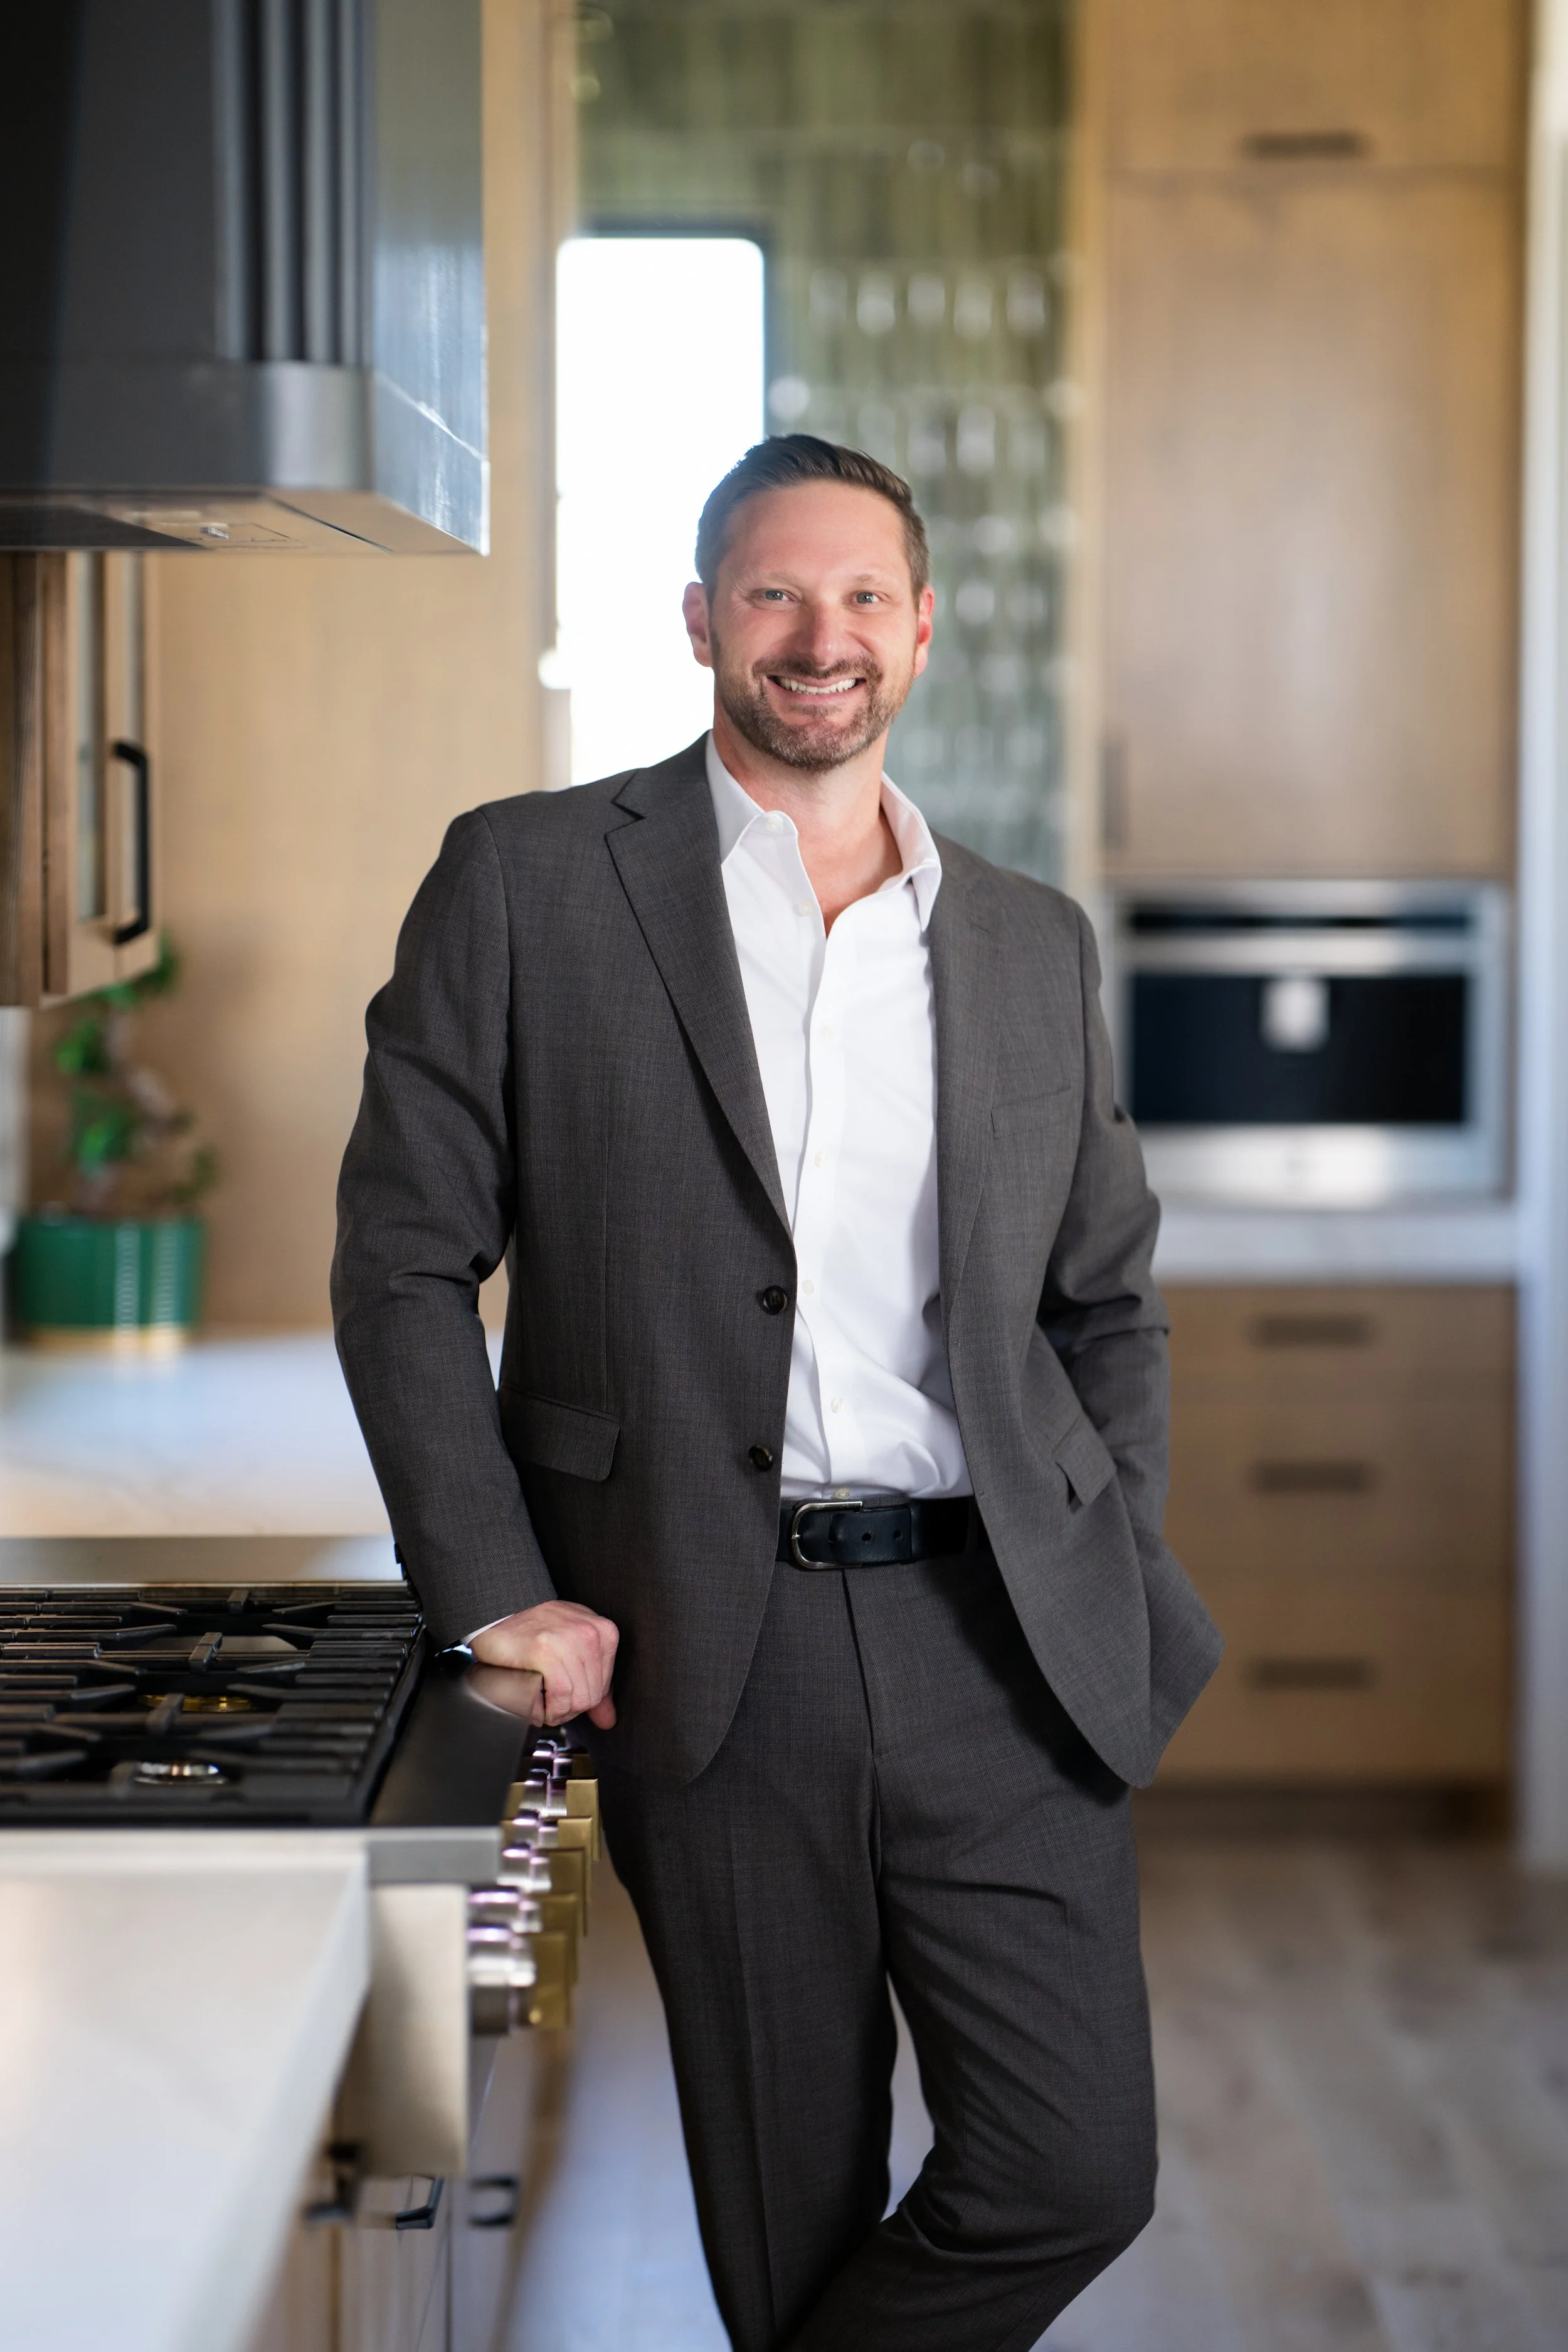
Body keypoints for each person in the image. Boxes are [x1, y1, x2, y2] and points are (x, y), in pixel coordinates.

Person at [332, 433, 1221, 2351]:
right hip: (702, 1640)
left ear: (917, 630)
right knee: (783, 2202)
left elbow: (1104, 1296)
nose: (822, 638)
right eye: (774, 595)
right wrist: (497, 1582)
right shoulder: (530, 881)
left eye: (863, 598)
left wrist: (1096, 1536)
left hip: (1005, 1639)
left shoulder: (1019, 937)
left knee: (1074, 2164)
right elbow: (405, 1257)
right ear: (700, 621)